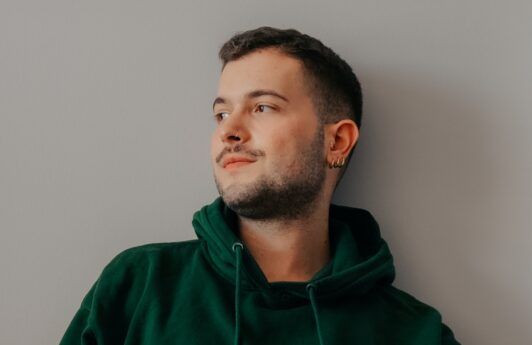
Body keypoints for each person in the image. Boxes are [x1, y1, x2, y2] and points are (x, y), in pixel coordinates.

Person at [59, 26, 461, 345]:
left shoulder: (412, 333)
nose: (229, 131)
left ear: (336, 141)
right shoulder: (138, 287)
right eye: (221, 114)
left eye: (262, 107)